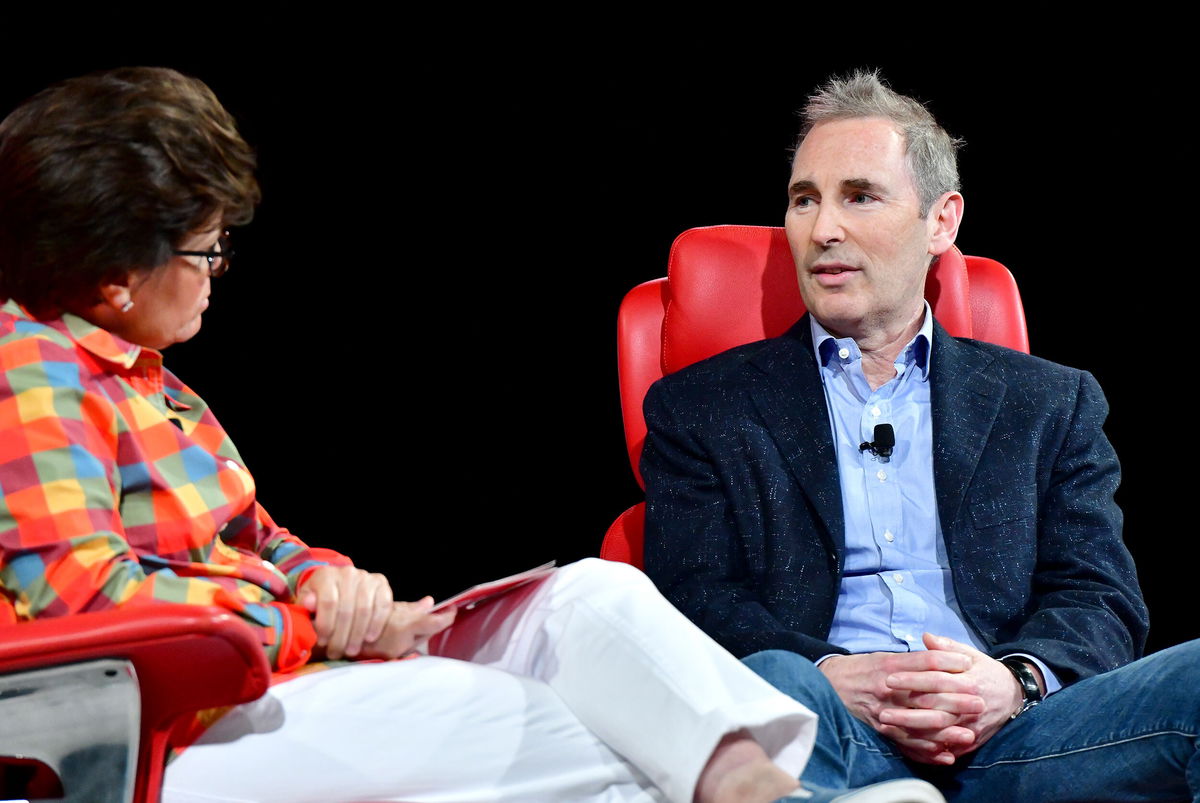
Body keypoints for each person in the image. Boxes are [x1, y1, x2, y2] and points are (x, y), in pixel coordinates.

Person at [0, 67, 957, 803]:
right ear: (119, 271)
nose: (217, 271)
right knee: (593, 729)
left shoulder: (159, 390)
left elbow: (261, 543)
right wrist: (307, 622)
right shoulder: (33, 370)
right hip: (172, 740)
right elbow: (82, 606)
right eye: (205, 249)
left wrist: (334, 582)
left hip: (272, 684)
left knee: (591, 595)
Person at [641, 70, 1200, 801]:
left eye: (859, 196)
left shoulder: (1050, 402)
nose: (822, 229)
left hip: (1021, 737)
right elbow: (694, 597)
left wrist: (1013, 681)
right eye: (803, 199)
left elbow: (1098, 593)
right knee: (775, 682)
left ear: (941, 221)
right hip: (832, 726)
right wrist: (832, 674)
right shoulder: (703, 406)